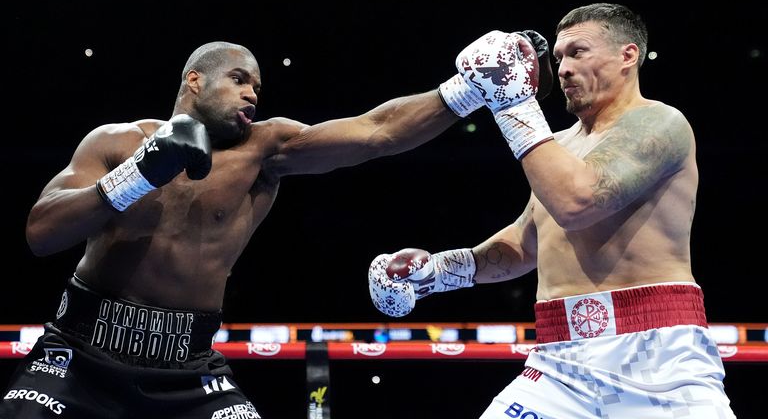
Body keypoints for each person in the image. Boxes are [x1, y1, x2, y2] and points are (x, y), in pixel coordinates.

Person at [0, 32, 554, 418]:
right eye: (240, 80)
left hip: (189, 370)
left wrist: (467, 91)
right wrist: (138, 174)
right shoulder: (116, 142)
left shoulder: (266, 149)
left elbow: (376, 133)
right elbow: (40, 233)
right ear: (194, 80)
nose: (252, 94)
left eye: (258, 88)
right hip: (80, 351)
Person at [369, 3, 736, 418]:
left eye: (577, 52)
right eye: (559, 57)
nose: (561, 69)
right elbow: (525, 245)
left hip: (659, 357)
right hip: (559, 362)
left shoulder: (661, 124)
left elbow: (577, 203)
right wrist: (435, 273)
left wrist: (511, 104)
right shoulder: (558, 148)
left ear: (627, 56)